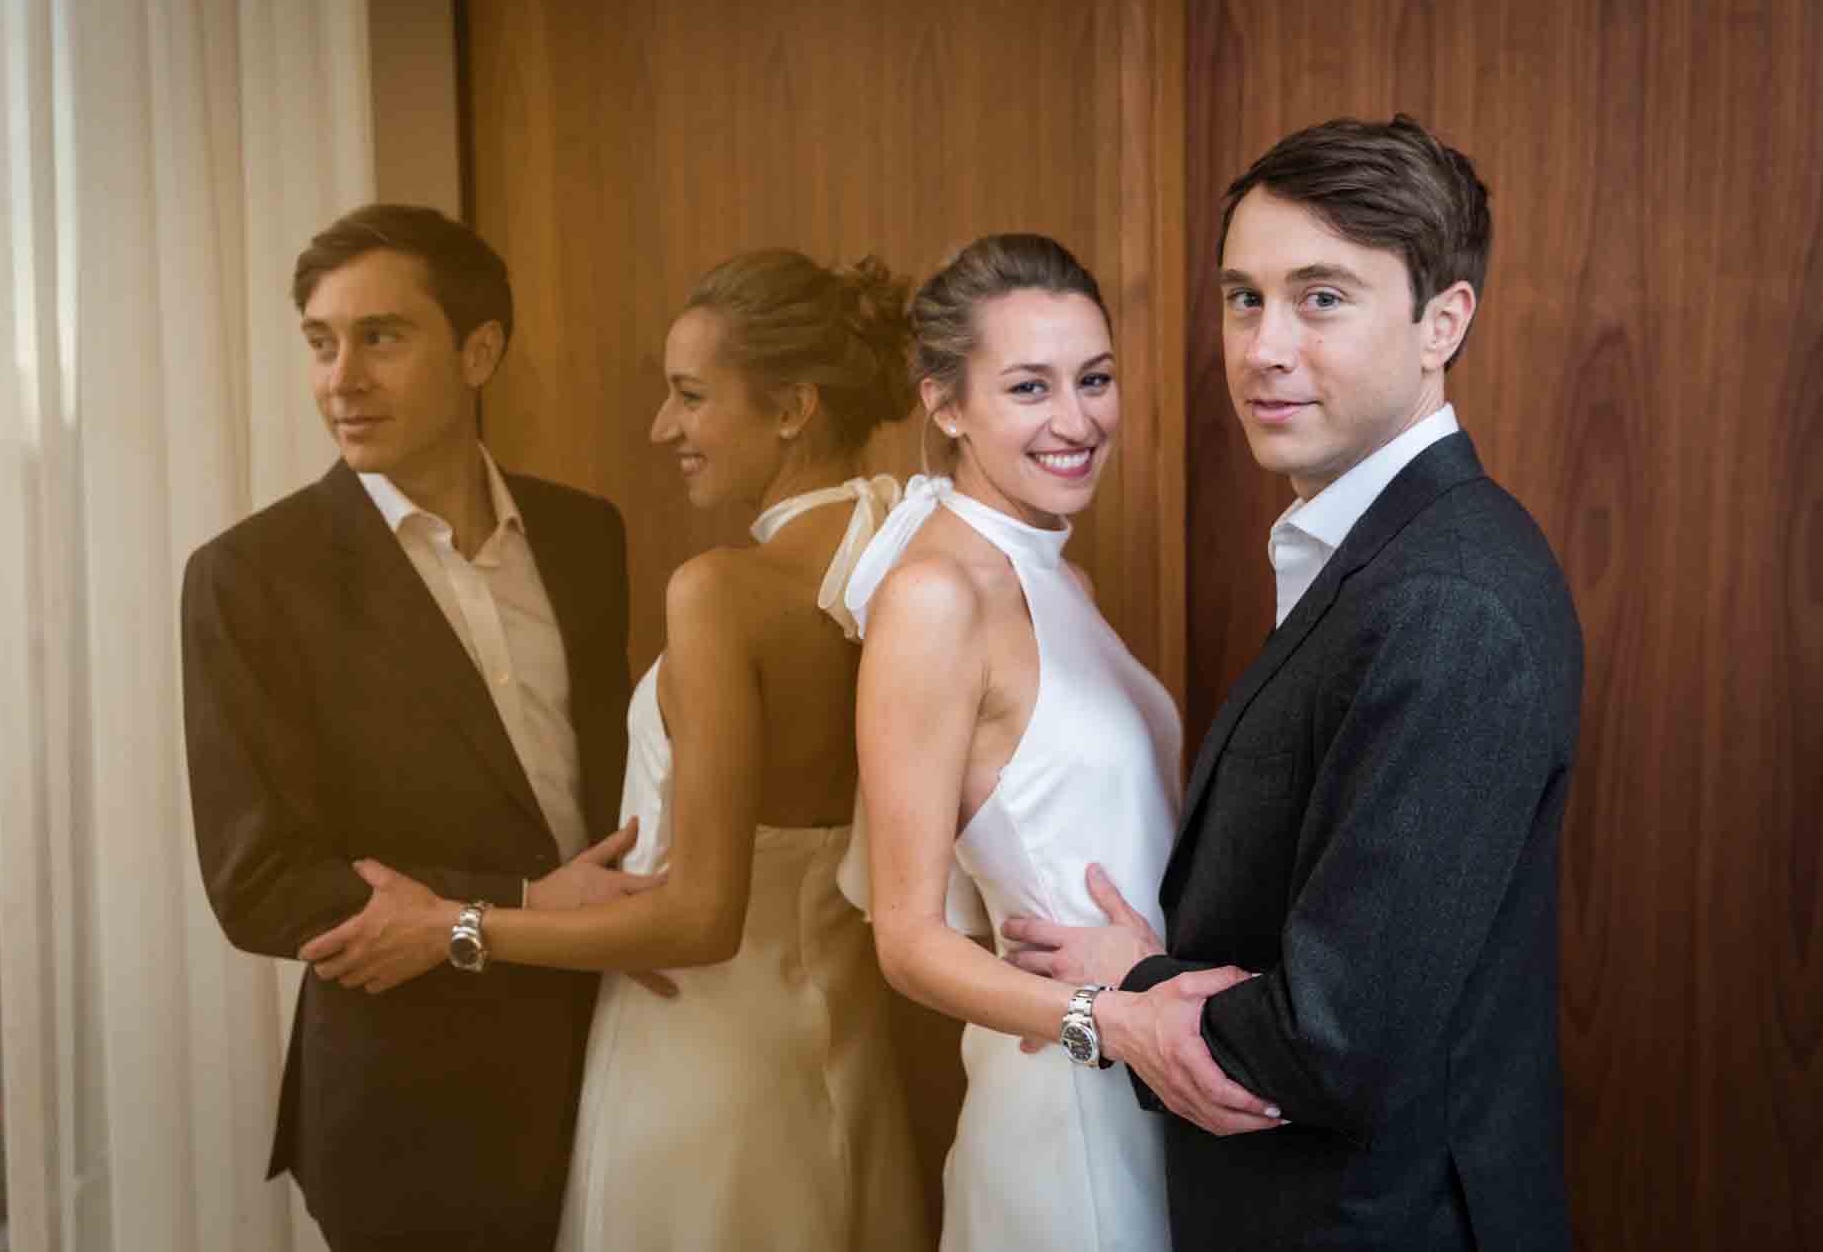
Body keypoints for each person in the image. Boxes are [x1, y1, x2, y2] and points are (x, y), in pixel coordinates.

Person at [1007, 116, 1583, 1248]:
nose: (1261, 346)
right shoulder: (1379, 548)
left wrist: (1137, 987)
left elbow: (1338, 1036)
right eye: (1241, 297)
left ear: (1441, 321)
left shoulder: (1445, 597)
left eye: (1320, 299)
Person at [306, 249, 933, 1251]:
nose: (662, 427)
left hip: (699, 1062)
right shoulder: (909, 555)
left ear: (790, 409)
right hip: (843, 1054)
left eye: (689, 396)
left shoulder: (722, 591)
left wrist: (452, 925)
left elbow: (696, 918)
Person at [182, 204, 642, 1251]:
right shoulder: (251, 577)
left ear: (479, 350)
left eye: (380, 336)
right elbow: (260, 883)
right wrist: (525, 903)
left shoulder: (584, 534)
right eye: (320, 341)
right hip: (410, 1118)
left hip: (621, 1057)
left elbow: (614, 783)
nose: (340, 377)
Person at [845, 234, 1243, 1252]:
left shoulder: (1062, 580)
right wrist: (1111, 1021)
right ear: (944, 403)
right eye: (1029, 386)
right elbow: (905, 938)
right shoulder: (933, 597)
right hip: (1067, 1105)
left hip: (1153, 1068)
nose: (1076, 421)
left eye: (1094, 379)